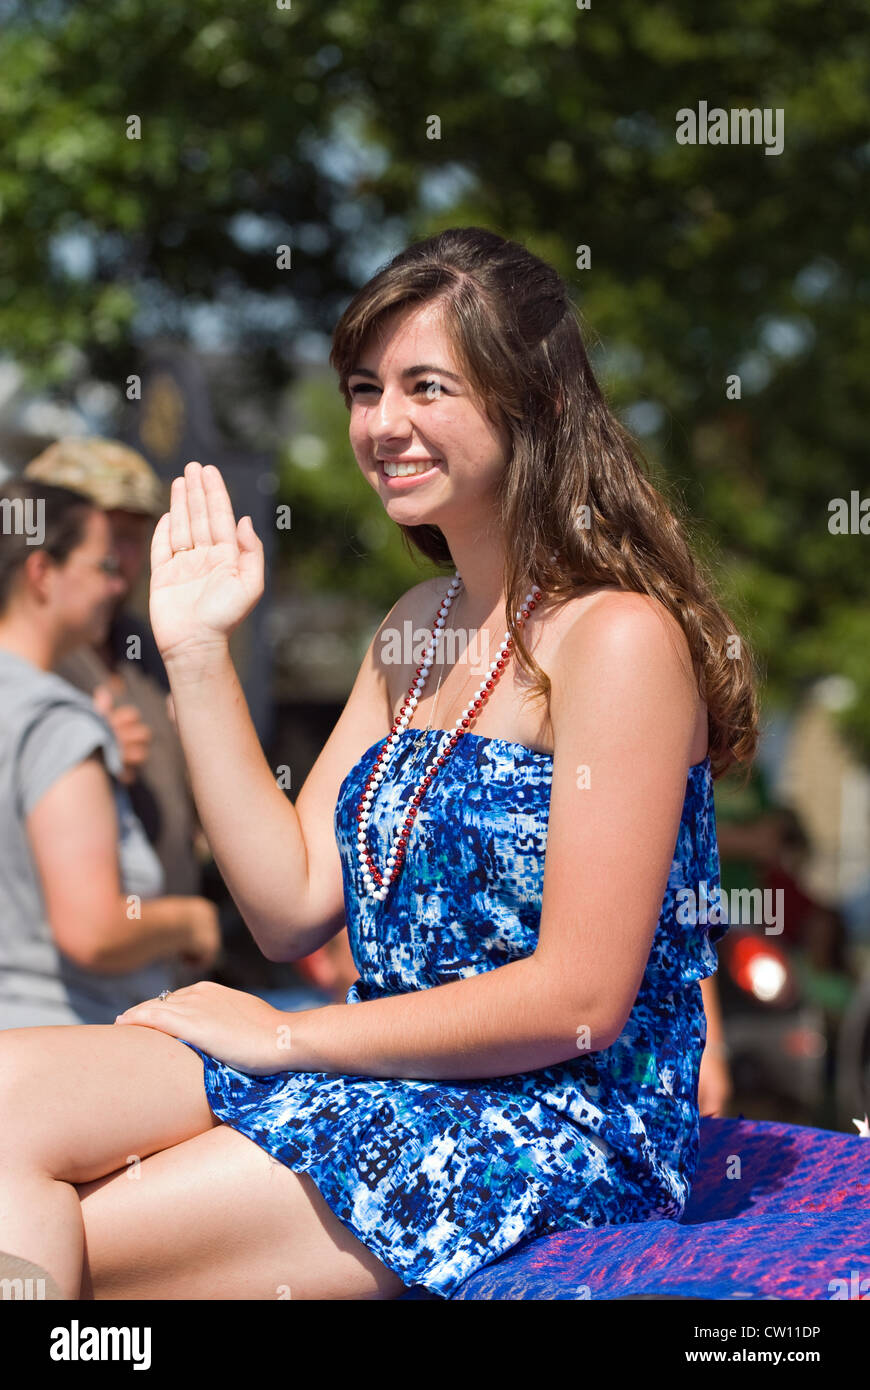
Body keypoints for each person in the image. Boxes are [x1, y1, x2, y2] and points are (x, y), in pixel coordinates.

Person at [0, 227, 760, 1302]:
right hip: (373, 1070)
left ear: (533, 401)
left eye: (426, 386)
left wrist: (287, 1033)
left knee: (84, 1231)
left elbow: (579, 997)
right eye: (366, 388)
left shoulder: (618, 638)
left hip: (548, 1121)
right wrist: (197, 651)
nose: (382, 423)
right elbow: (289, 904)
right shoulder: (418, 620)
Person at [0, 479, 221, 1028]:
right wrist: (190, 921)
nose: (117, 581)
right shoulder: (54, 721)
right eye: (102, 565)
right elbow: (94, 930)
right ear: (41, 574)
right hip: (58, 1050)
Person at [23, 437, 205, 899]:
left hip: (160, 948)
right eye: (107, 535)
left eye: (133, 536)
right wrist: (75, 757)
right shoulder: (24, 652)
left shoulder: (142, 642)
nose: (120, 557)